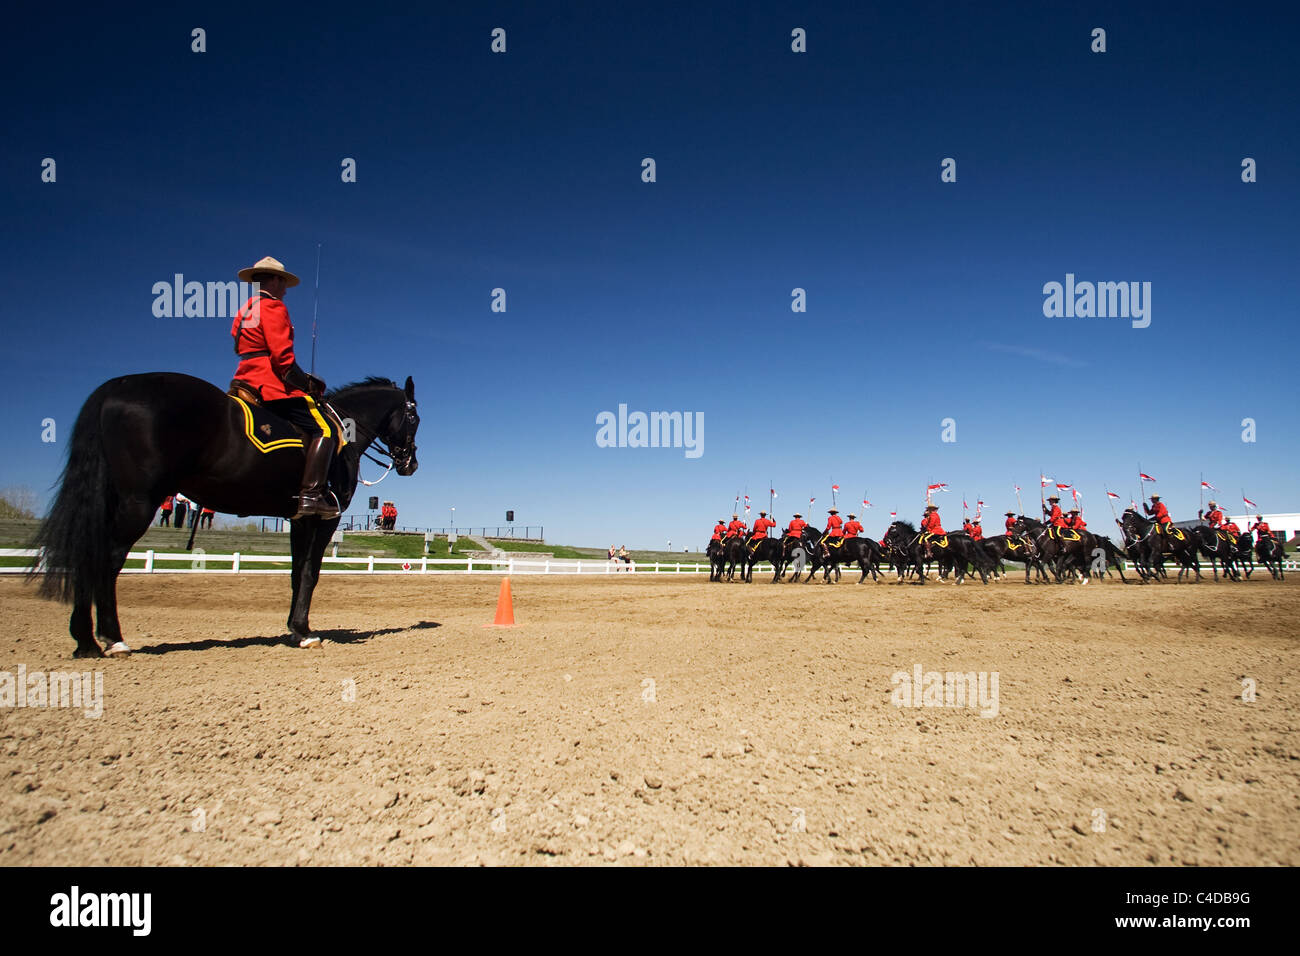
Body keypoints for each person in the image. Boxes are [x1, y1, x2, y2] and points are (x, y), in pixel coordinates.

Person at [229, 255, 338, 519]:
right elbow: (282, 359)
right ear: (276, 280)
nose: (286, 290)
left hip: (243, 378)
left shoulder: (245, 309)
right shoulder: (273, 307)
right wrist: (307, 384)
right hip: (269, 383)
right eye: (284, 283)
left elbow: (238, 346)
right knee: (326, 429)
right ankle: (311, 496)